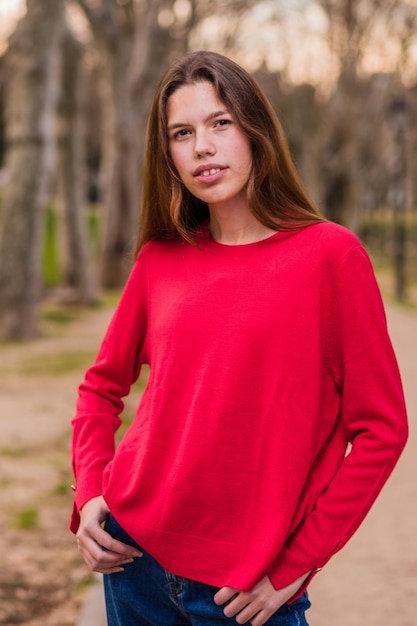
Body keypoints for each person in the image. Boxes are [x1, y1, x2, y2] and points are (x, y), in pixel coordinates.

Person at [71, 50, 408, 626]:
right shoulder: (161, 259)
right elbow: (101, 387)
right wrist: (89, 494)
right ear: (169, 155)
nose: (202, 146)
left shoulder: (330, 257)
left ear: (255, 130)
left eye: (219, 123)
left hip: (246, 589)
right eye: (182, 132)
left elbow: (382, 430)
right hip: (134, 565)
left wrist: (298, 563)